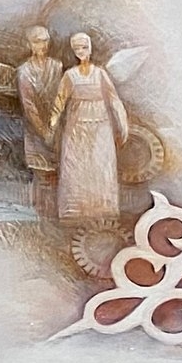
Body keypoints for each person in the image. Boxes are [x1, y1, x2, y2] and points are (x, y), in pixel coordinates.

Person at [49, 31, 129, 233]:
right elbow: (60, 101)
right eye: (77, 48)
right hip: (76, 126)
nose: (81, 51)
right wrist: (52, 123)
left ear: (90, 49)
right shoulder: (70, 75)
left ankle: (103, 210)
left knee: (101, 164)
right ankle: (75, 211)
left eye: (84, 47)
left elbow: (113, 99)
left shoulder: (100, 74)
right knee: (77, 166)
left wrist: (122, 123)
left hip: (101, 125)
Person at [15, 24, 62, 219]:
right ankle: (40, 216)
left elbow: (61, 97)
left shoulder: (57, 67)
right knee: (40, 173)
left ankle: (54, 216)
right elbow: (29, 106)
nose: (41, 45)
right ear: (30, 44)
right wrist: (43, 131)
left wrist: (54, 127)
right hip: (35, 131)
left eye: (44, 41)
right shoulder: (24, 71)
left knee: (56, 173)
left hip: (57, 127)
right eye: (37, 41)